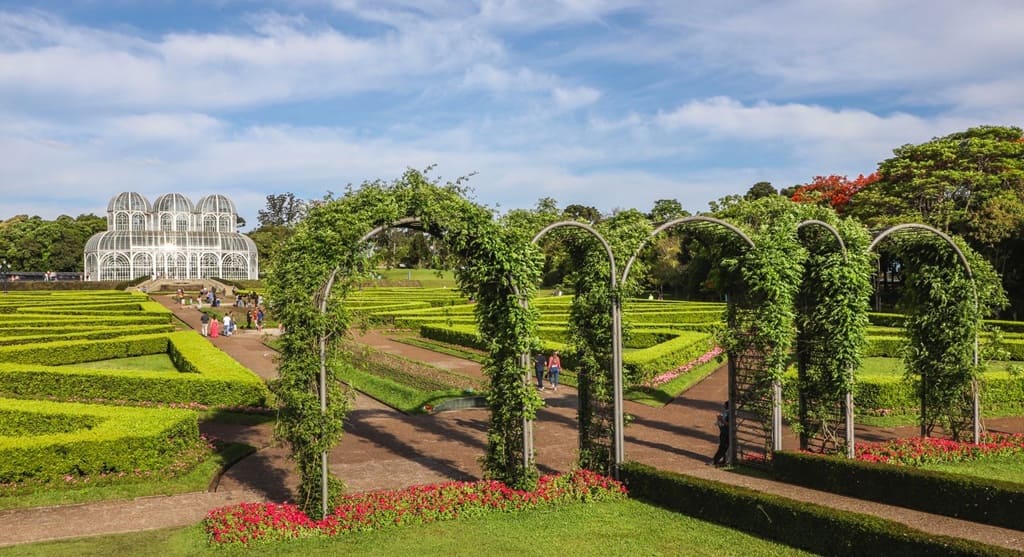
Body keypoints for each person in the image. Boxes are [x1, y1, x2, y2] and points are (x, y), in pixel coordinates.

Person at [712, 401, 730, 467]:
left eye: (725, 405)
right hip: (723, 432)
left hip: (726, 433)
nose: (724, 406)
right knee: (724, 447)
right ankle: (723, 461)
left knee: (723, 447)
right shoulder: (726, 413)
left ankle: (715, 461)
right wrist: (720, 420)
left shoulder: (729, 413)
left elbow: (729, 424)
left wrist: (721, 419)